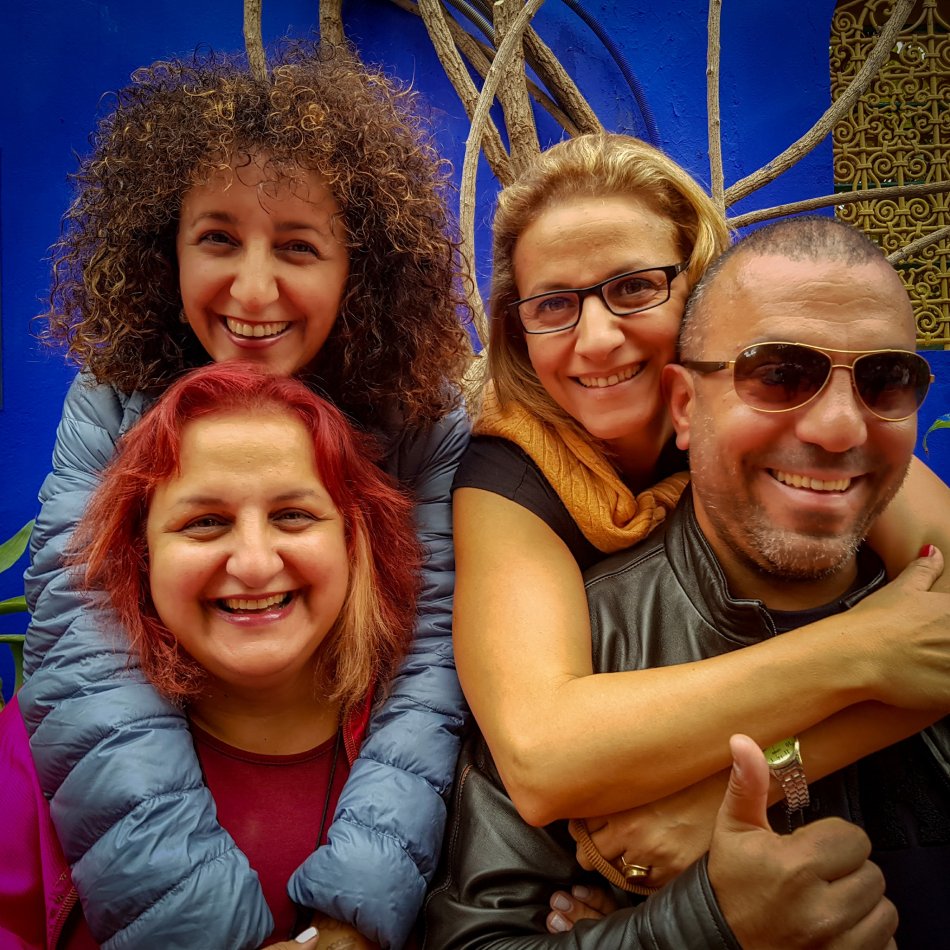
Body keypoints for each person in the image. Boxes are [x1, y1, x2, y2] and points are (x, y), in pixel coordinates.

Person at [20, 42, 470, 949]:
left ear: (359, 266)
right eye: (218, 238)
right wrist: (202, 927)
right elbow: (83, 636)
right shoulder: (114, 398)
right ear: (167, 251)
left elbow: (431, 656)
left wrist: (355, 909)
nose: (254, 291)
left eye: (298, 246)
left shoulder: (419, 413)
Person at [423, 216, 947, 947]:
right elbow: (492, 902)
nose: (839, 429)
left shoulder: (927, 591)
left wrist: (750, 784)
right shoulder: (587, 627)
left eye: (886, 381)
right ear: (685, 405)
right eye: (778, 374)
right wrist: (704, 924)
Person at [3, 363, 424, 948]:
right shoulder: (33, 755)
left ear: (353, 541)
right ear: (141, 553)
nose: (254, 564)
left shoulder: (450, 759)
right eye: (205, 522)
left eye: (293, 515)